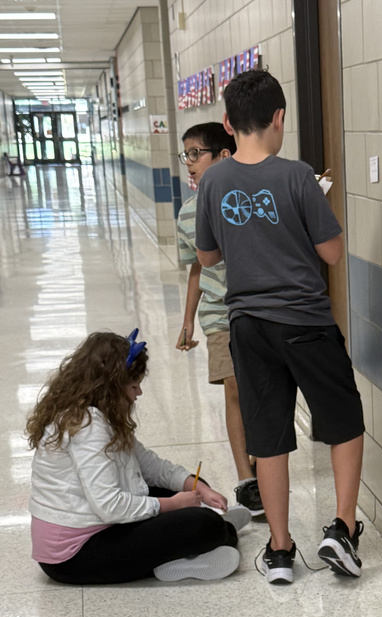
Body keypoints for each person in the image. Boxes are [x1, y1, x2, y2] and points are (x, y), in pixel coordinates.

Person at [195, 70, 365, 586]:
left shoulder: (214, 181)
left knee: (267, 435)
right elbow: (332, 253)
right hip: (307, 322)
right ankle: (342, 527)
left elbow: (207, 256)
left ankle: (281, 548)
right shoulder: (297, 176)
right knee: (343, 419)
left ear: (227, 123)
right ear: (279, 119)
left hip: (248, 325)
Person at [27, 330, 251, 585]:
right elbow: (109, 506)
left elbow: (151, 467)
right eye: (133, 386)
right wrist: (175, 505)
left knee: (178, 494)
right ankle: (217, 535)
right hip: (75, 555)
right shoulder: (88, 427)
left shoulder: (97, 415)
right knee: (202, 523)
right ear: (110, 387)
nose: (139, 393)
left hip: (94, 525)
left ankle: (213, 534)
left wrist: (196, 486)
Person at [176, 121, 263, 517]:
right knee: (233, 387)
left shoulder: (250, 199)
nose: (190, 163)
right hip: (218, 312)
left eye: (197, 154)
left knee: (258, 388)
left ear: (224, 155)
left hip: (259, 306)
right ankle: (247, 479)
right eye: (186, 155)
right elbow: (197, 269)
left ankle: (264, 461)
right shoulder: (187, 213)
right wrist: (188, 320)